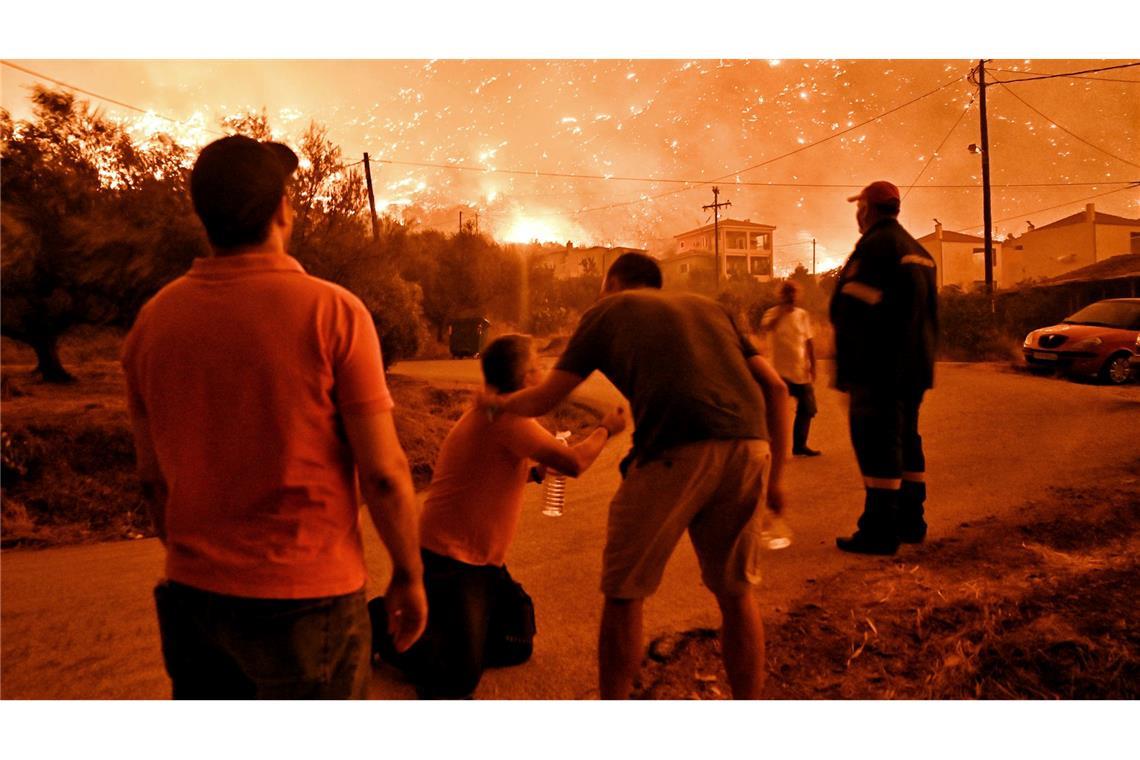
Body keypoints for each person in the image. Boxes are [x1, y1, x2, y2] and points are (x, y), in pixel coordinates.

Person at [122, 135, 427, 699]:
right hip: (307, 601)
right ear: (282, 209)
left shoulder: (152, 322)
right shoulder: (334, 312)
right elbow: (383, 473)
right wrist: (409, 575)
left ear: (202, 215)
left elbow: (151, 479)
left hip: (194, 599)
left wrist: (198, 563)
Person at [481, 252, 790, 700]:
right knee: (737, 594)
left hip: (674, 447)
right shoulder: (712, 309)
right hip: (750, 446)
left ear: (612, 283)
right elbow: (777, 388)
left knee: (625, 591)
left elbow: (543, 398)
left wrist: (495, 405)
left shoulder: (607, 310)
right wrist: (777, 479)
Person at [373, 334, 627, 699]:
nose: (543, 374)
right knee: (455, 681)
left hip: (483, 562)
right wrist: (606, 428)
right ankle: (380, 623)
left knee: (515, 643)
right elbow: (574, 463)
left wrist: (536, 473)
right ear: (525, 377)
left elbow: (490, 470)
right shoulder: (506, 417)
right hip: (451, 561)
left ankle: (450, 630)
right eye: (537, 367)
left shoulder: (497, 413)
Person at [829, 180, 938, 555]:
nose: (857, 214)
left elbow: (851, 310)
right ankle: (911, 520)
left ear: (869, 209)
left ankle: (879, 529)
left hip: (879, 368)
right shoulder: (920, 251)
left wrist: (847, 370)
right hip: (914, 368)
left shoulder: (875, 247)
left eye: (859, 207)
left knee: (877, 444)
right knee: (907, 441)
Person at [760, 281, 820, 457]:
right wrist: (780, 313)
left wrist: (813, 365)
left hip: (799, 371)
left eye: (793, 294)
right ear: (781, 296)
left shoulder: (803, 315)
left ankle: (799, 446)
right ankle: (769, 448)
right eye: (787, 294)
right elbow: (766, 327)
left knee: (808, 408)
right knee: (774, 413)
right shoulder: (771, 314)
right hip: (778, 373)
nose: (791, 298)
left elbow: (809, 342)